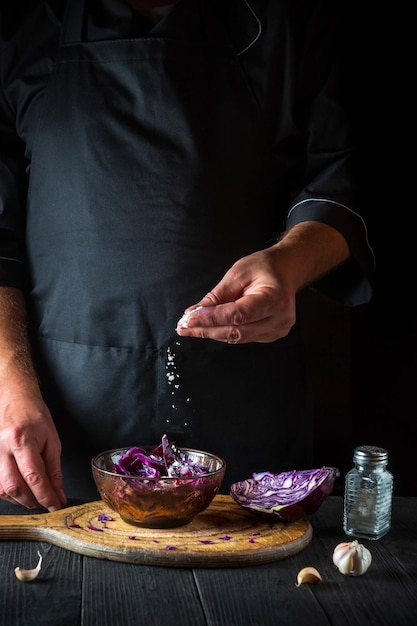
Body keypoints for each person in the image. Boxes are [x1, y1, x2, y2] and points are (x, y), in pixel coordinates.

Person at [0, 0, 374, 512]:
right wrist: (8, 385)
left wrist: (288, 263)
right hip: (55, 426)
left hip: (243, 414)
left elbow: (343, 180)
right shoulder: (19, 25)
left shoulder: (292, 21)